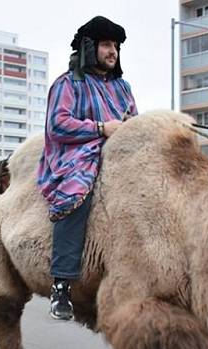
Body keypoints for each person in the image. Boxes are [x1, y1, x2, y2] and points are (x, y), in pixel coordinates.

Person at [37, 15, 137, 320]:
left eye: (116, 47)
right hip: (77, 156)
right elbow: (57, 125)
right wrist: (100, 128)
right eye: (107, 45)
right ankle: (62, 284)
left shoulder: (123, 87)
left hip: (119, 152)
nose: (113, 52)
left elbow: (132, 118)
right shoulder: (67, 84)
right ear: (90, 47)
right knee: (77, 193)